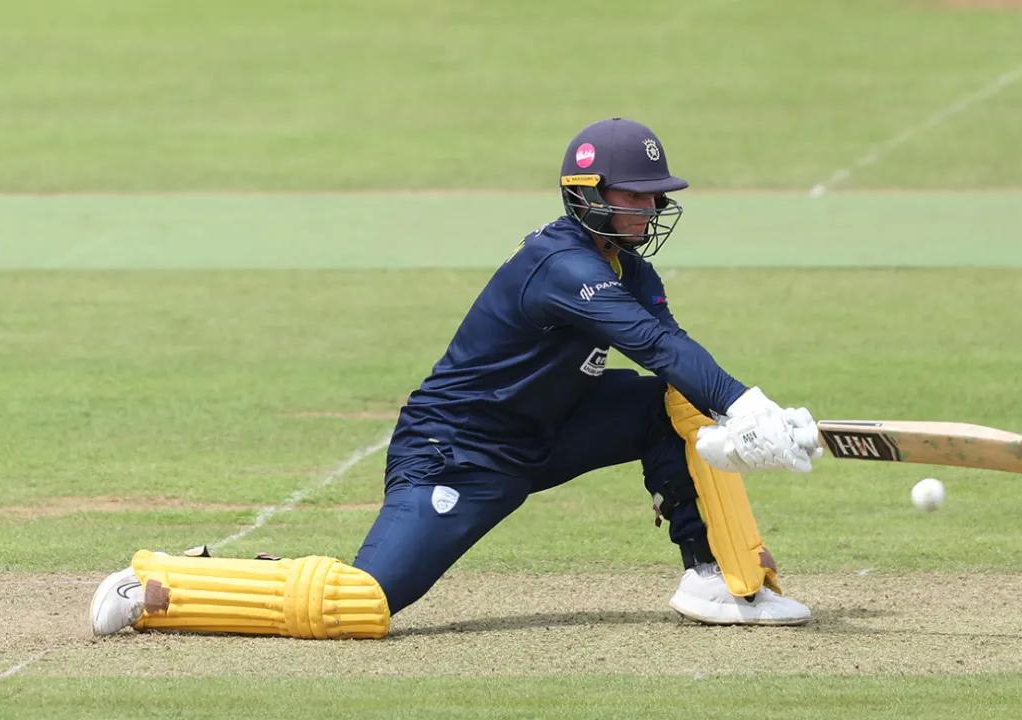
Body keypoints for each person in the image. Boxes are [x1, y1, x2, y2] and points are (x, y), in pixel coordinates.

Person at [90, 118, 822, 640]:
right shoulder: (560, 265)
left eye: (654, 194)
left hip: (549, 431)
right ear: (588, 192)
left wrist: (747, 419)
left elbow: (675, 355)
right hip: (459, 450)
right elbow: (650, 341)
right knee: (365, 602)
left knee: (674, 403)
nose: (651, 207)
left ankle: (719, 579)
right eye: (635, 194)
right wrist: (746, 404)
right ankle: (167, 586)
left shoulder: (629, 266)